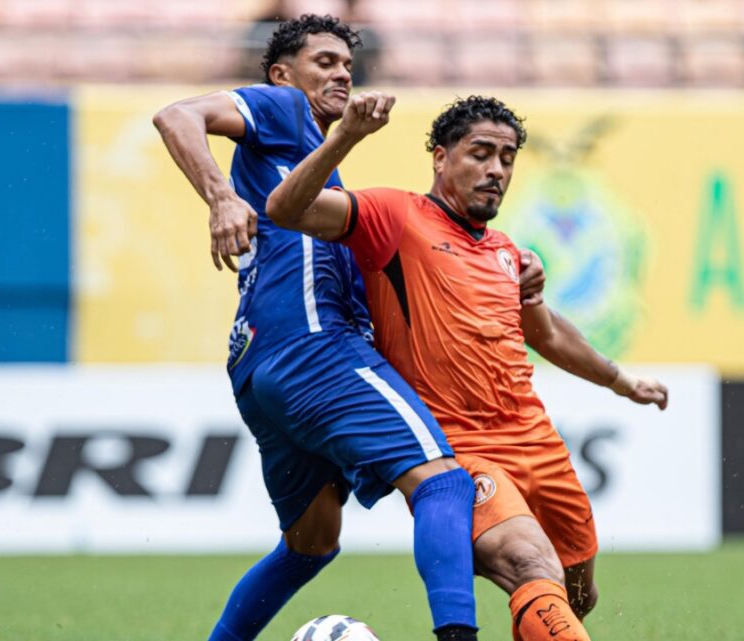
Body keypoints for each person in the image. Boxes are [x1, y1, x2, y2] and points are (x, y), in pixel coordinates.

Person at [153, 16, 538, 641]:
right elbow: (175, 115)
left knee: (311, 544)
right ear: (281, 74)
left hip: (259, 363)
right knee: (443, 483)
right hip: (312, 347)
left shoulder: (312, 167)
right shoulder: (281, 110)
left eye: (346, 66)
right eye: (324, 62)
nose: (340, 74)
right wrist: (221, 197)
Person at [265, 93, 670, 641]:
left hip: (537, 442)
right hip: (460, 447)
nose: (496, 170)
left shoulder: (508, 252)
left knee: (576, 594)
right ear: (440, 157)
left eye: (506, 158)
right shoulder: (395, 217)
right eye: (480, 153)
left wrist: (620, 380)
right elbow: (285, 211)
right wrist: (346, 137)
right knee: (531, 565)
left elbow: (546, 333)